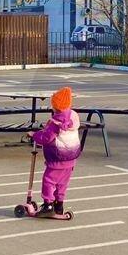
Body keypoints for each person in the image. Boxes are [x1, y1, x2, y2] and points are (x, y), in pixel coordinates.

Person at [27, 86, 81, 218]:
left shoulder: (56, 122)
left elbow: (46, 138)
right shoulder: (73, 118)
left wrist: (34, 135)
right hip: (70, 159)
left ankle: (48, 205)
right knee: (62, 183)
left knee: (49, 181)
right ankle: (59, 205)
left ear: (55, 106)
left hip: (57, 159)